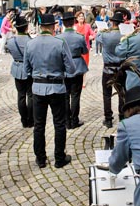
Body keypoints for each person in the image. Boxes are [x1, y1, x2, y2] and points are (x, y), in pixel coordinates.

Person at [23, 13, 75, 169]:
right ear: (53, 26)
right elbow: (71, 68)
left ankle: (40, 158)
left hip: (38, 88)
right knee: (59, 124)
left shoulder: (30, 44)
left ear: (40, 27)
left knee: (39, 125)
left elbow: (26, 70)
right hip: (57, 88)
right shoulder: (59, 42)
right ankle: (59, 158)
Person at [96, 10, 126, 128]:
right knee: (121, 93)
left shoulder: (104, 34)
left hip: (108, 69)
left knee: (107, 94)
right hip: (121, 68)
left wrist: (102, 31)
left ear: (112, 22)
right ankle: (122, 116)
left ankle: (108, 119)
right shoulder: (124, 35)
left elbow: (97, 39)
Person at [59, 12, 89, 129]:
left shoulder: (59, 37)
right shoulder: (79, 37)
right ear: (73, 23)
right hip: (77, 66)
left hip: (64, 68)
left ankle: (67, 121)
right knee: (75, 95)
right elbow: (85, 51)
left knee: (65, 95)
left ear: (64, 24)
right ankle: (74, 120)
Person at [5, 15, 34, 128]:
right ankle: (31, 119)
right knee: (30, 95)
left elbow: (11, 52)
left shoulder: (11, 41)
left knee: (21, 96)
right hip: (29, 69)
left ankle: (24, 119)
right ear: (26, 27)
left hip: (17, 68)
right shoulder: (30, 41)